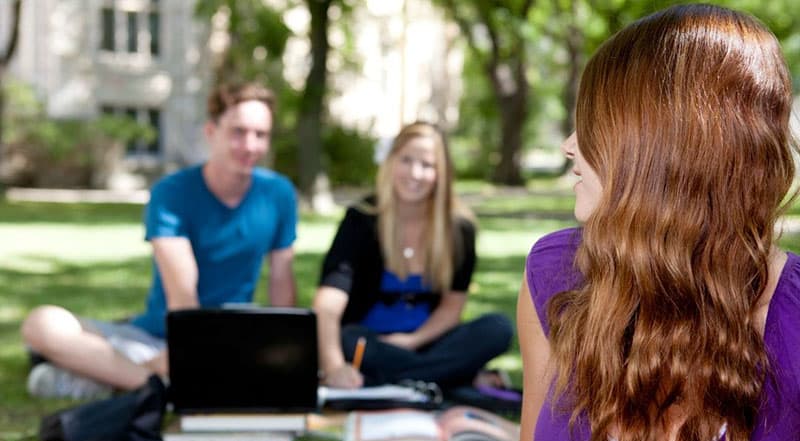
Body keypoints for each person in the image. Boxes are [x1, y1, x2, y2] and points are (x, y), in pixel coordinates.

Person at [490, 4, 800, 441]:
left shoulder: (790, 321)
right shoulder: (555, 272)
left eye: (593, 127)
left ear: (666, 154)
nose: (569, 146)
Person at [22, 82, 298, 400]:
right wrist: (181, 356)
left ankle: (118, 378)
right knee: (41, 324)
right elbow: (183, 295)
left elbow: (282, 283)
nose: (249, 145)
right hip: (160, 336)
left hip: (233, 336)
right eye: (238, 132)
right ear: (211, 131)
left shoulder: (278, 194)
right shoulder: (172, 193)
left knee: (51, 373)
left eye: (260, 135)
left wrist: (282, 350)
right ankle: (153, 382)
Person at [314, 121, 513, 390]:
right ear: (391, 162)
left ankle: (399, 379)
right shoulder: (361, 219)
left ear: (442, 173)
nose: (415, 173)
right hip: (370, 345)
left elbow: (451, 309)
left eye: (427, 165)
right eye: (406, 160)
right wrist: (334, 367)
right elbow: (327, 304)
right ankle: (453, 378)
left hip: (428, 343)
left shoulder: (459, 229)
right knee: (350, 339)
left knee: (498, 328)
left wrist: (410, 342)